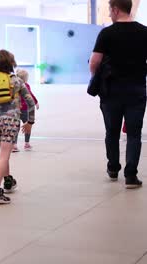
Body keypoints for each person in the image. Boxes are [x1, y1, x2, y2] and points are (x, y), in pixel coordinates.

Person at [89, 0, 147, 188]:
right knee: (134, 134)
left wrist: (98, 78)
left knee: (112, 132)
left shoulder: (107, 33)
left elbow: (94, 62)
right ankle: (131, 176)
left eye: (109, 10)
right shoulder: (144, 32)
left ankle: (113, 168)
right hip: (137, 90)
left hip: (111, 91)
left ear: (115, 9)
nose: (109, 14)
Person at [0, 50, 36, 204]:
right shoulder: (17, 81)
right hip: (11, 122)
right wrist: (30, 123)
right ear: (11, 63)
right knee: (4, 156)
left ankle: (8, 180)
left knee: (3, 152)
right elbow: (31, 102)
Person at [14, 69, 39, 152]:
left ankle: (14, 145)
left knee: (15, 128)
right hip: (25, 110)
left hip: (16, 110)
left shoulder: (14, 85)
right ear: (25, 79)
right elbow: (30, 95)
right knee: (28, 127)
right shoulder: (26, 86)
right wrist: (36, 102)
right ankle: (26, 144)